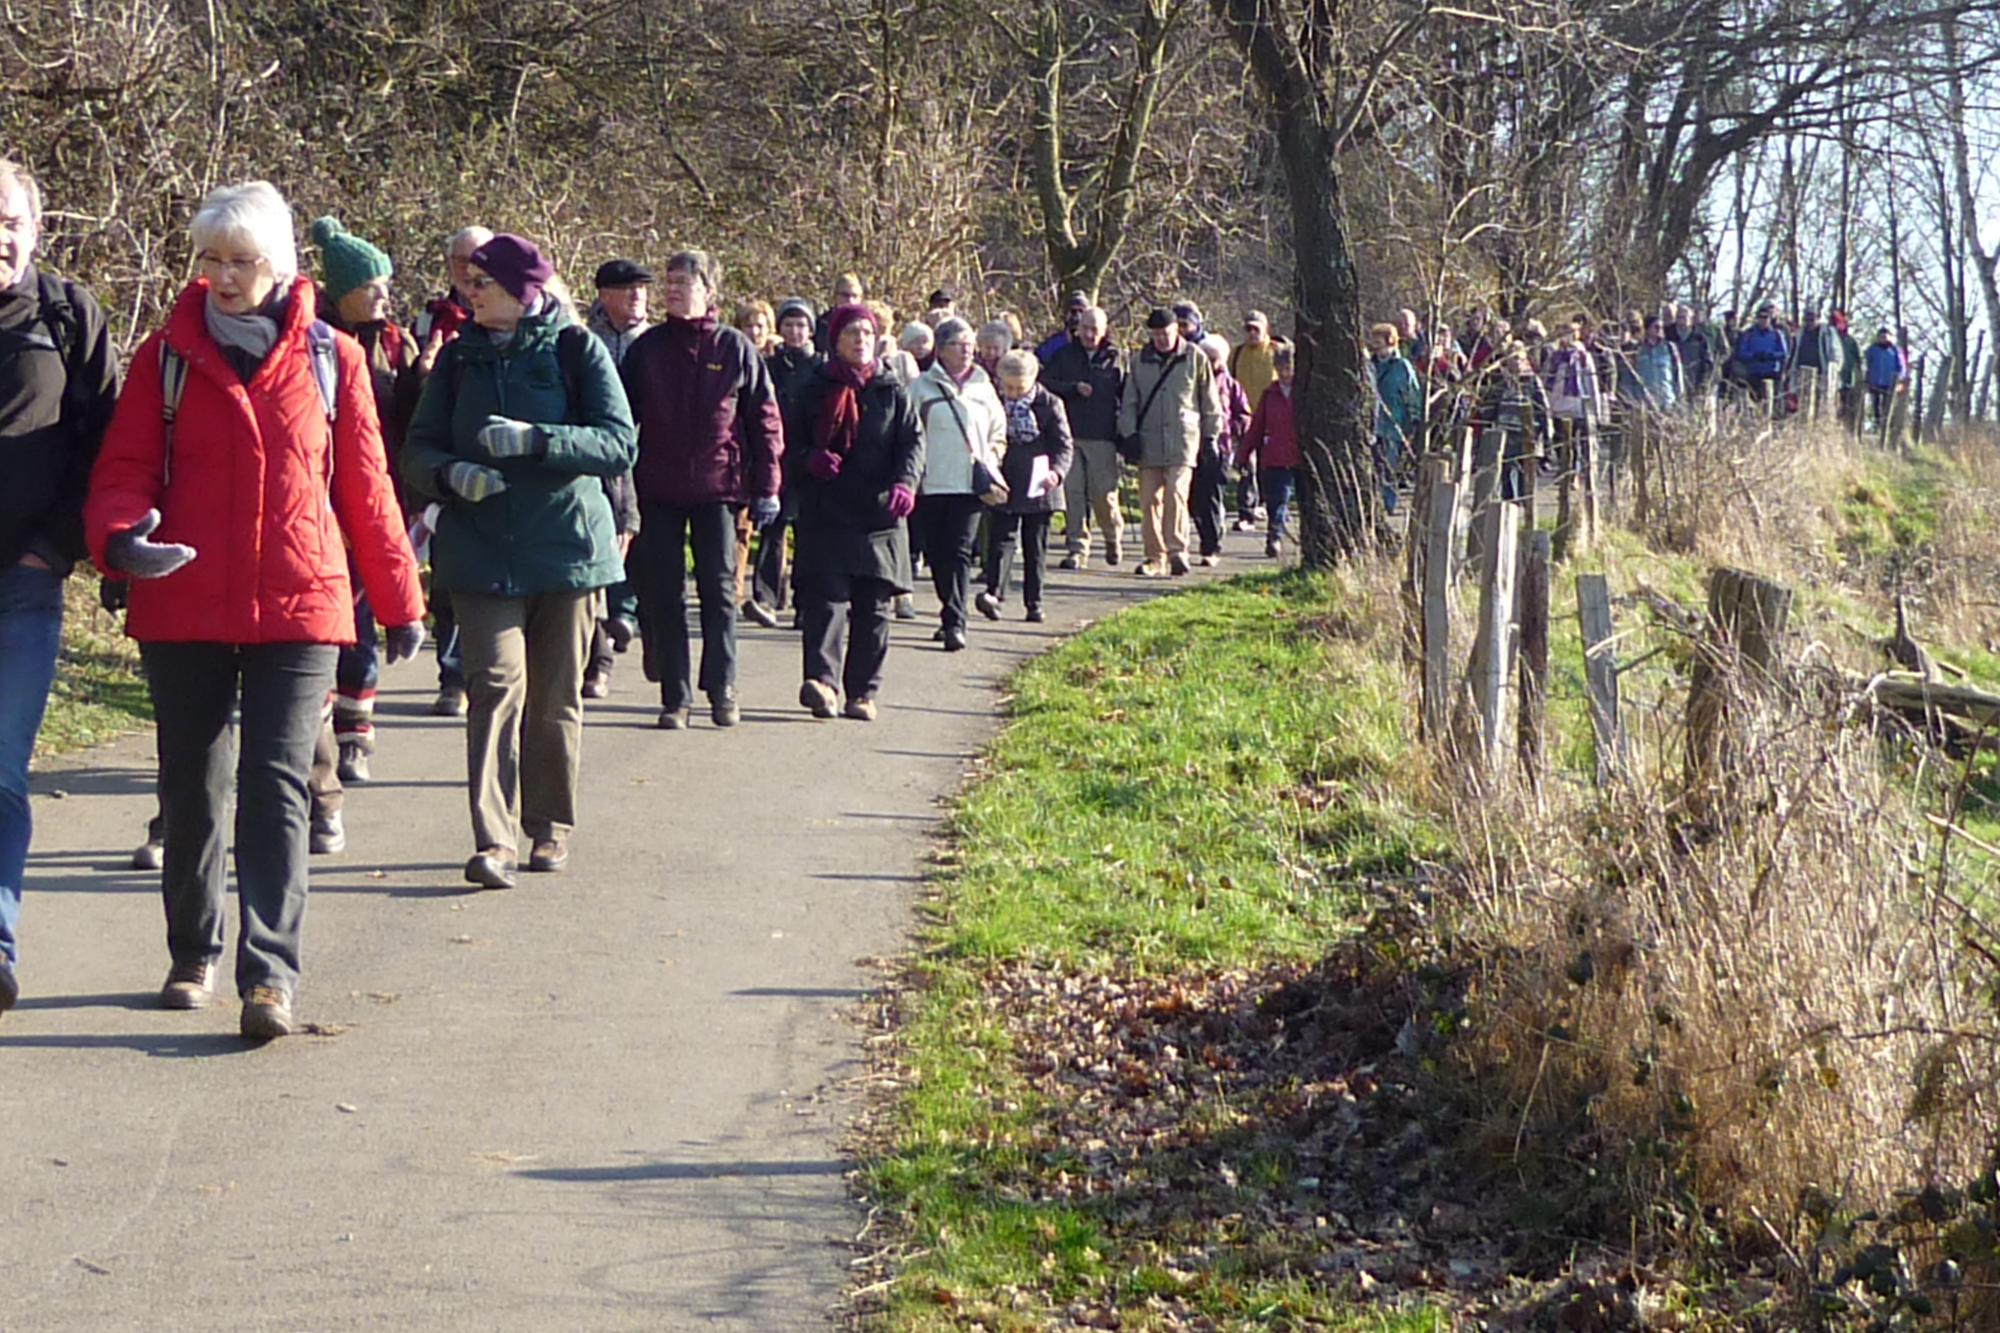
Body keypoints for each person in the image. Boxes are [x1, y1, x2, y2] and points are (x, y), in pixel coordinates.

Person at [86, 180, 426, 1038]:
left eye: (241, 262)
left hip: (300, 600)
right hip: (185, 597)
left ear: (278, 266)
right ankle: (193, 949)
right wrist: (121, 539)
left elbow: (366, 487)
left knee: (278, 784)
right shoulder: (164, 354)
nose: (224, 278)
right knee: (194, 784)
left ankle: (269, 973)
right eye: (211, 260)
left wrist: (398, 598)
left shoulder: (331, 359)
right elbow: (124, 469)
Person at [400, 233, 636, 890]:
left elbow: (619, 443)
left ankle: (549, 823)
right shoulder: (457, 361)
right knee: (495, 689)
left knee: (556, 697)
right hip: (480, 553)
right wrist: (452, 475)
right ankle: (493, 839)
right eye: (469, 282)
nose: (469, 293)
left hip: (566, 553)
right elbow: (415, 450)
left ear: (522, 291)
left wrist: (540, 440)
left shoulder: (575, 348)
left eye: (483, 284)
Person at [0, 158, 120, 1019]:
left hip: (25, 585)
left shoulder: (67, 315)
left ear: (37, 228)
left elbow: (109, 447)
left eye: (9, 219)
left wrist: (55, 549)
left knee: (0, 773)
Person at [620, 250, 783, 731]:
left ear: (709, 292)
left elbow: (764, 420)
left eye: (683, 282)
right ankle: (676, 695)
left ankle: (722, 688)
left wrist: (767, 484)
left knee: (718, 591)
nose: (672, 290)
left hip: (719, 488)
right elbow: (620, 419)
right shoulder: (646, 350)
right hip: (658, 487)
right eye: (669, 282)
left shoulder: (734, 349)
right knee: (664, 594)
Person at [310, 217, 422, 785]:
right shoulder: (314, 340)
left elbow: (410, 420)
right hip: (323, 500)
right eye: (372, 285)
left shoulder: (398, 343)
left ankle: (358, 731)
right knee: (336, 617)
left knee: (364, 614)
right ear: (343, 290)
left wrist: (423, 378)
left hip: (383, 496)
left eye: (386, 284)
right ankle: (326, 731)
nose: (384, 295)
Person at [788, 304, 923, 721]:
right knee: (826, 603)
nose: (861, 339)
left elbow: (913, 443)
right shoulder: (811, 388)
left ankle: (862, 693)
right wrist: (809, 459)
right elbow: (785, 443)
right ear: (835, 342)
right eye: (852, 333)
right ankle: (823, 684)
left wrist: (906, 483)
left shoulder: (892, 389)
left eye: (867, 332)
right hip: (826, 512)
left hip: (879, 516)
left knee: (873, 608)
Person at [413, 224, 494, 718]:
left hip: (497, 460)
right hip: (446, 462)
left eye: (478, 259)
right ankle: (453, 677)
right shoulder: (431, 317)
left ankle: (491, 672)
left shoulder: (507, 311)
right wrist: (421, 371)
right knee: (447, 576)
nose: (468, 270)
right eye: (461, 260)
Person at [910, 316, 1005, 651]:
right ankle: (948, 609)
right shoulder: (921, 387)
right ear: (941, 349)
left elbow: (998, 431)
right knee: (938, 553)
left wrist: (991, 460)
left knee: (961, 551)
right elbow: (910, 434)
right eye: (957, 344)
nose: (966, 350)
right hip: (932, 481)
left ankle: (955, 621)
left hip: (970, 483)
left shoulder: (984, 386)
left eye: (969, 344)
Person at [581, 258, 651, 699]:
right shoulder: (585, 341)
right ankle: (606, 633)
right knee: (605, 541)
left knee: (637, 541)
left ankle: (628, 611)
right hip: (601, 458)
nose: (638, 297)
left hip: (650, 456)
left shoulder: (655, 341)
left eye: (643, 289)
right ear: (605, 295)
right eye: (628, 290)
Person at [1118, 308, 1219, 577]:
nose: (1162, 339)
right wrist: (1127, 434)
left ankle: (1177, 551)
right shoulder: (1139, 361)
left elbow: (1209, 400)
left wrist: (1211, 437)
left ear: (1177, 331)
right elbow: (1129, 401)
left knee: (1176, 491)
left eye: (1166, 333)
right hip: (1149, 440)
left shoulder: (1195, 358)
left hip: (1183, 440)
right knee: (1149, 499)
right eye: (1156, 335)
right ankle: (1154, 557)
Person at [975, 351, 1072, 623]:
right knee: (1001, 539)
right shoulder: (993, 402)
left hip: (1040, 480)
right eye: (1009, 387)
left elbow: (1064, 445)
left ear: (1033, 380)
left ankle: (1034, 602)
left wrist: (1057, 472)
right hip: (1007, 476)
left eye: (1020, 387)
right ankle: (994, 593)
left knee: (1035, 545)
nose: (1014, 393)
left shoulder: (1050, 404)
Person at [1041, 304, 1125, 570]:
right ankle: (1077, 548)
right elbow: (1045, 384)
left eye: (1095, 330)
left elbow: (1127, 395)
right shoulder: (1065, 355)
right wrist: (1073, 389)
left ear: (1104, 331)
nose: (1090, 335)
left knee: (1103, 494)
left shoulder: (1115, 358)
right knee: (1073, 494)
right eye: (1086, 329)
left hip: (1103, 435)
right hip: (1070, 434)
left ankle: (1112, 537)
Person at [756, 299, 821, 624]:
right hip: (775, 456)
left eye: (801, 325)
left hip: (809, 457)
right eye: (789, 324)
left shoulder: (821, 367)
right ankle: (765, 598)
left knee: (808, 532)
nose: (795, 331)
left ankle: (805, 602)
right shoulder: (769, 366)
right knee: (773, 527)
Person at [1192, 336, 1251, 566]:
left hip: (1221, 447)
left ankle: (1211, 546)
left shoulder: (1231, 385)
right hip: (1193, 444)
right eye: (1206, 357)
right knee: (1195, 500)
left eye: (1214, 359)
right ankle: (1207, 532)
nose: (1210, 362)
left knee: (1212, 496)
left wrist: (1234, 429)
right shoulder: (1191, 382)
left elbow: (1244, 414)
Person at [1236, 344, 1300, 558]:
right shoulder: (1270, 394)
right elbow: (1257, 426)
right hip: (1275, 455)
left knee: (1306, 501)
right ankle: (1275, 537)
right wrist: (1243, 454)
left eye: (1288, 369)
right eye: (1280, 368)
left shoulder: (1305, 393)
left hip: (1301, 456)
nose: (1284, 374)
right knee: (1277, 500)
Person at [1227, 310, 1278, 531]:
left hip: (1272, 419)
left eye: (1256, 328)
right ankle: (1246, 513)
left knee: (1270, 466)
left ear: (1266, 329)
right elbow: (1228, 385)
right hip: (1246, 420)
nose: (1252, 333)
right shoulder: (1237, 354)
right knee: (1247, 466)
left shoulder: (1277, 351)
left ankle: (1269, 506)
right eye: (1248, 328)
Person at [1368, 323, 1420, 513]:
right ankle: (1374, 504)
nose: (1375, 345)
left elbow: (1413, 393)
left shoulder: (1402, 366)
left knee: (1389, 467)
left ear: (1390, 341)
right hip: (1373, 425)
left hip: (1394, 425)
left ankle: (1387, 504)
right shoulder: (1369, 366)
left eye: (1379, 341)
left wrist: (1414, 420)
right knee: (1374, 468)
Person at [1732, 303, 1788, 416]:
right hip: (1754, 374)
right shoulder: (1748, 334)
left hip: (1771, 374)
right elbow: (1741, 353)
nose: (1763, 320)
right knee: (1754, 405)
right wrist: (1755, 356)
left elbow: (1784, 353)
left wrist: (1769, 355)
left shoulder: (1777, 334)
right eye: (1760, 317)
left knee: (1771, 405)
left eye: (1766, 317)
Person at [1787, 307, 1839, 421]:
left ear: (1818, 319)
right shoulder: (1800, 333)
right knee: (1802, 401)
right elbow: (1794, 352)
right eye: (1807, 319)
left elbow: (1835, 353)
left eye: (1812, 319)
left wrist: (1833, 370)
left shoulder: (1828, 332)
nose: (1809, 322)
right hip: (1802, 373)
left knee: (1821, 401)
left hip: (1821, 373)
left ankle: (1819, 424)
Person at [1864, 326, 1908, 432]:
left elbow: (1901, 367)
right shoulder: (1872, 350)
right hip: (1875, 382)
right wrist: (1867, 378)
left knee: (1888, 406)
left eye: (1885, 336)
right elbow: (1866, 364)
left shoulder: (1895, 350)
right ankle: (1877, 426)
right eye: (1881, 336)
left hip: (1890, 383)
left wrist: (1900, 380)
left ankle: (1887, 427)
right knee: (1876, 405)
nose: (1883, 338)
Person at [813, 272, 864, 354]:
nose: (850, 300)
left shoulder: (867, 325)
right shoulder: (822, 324)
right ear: (835, 296)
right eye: (845, 295)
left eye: (855, 296)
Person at [1035, 291, 1089, 363]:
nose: (1077, 316)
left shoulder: (1093, 344)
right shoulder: (1054, 343)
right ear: (1066, 314)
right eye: (1073, 311)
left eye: (1081, 311)